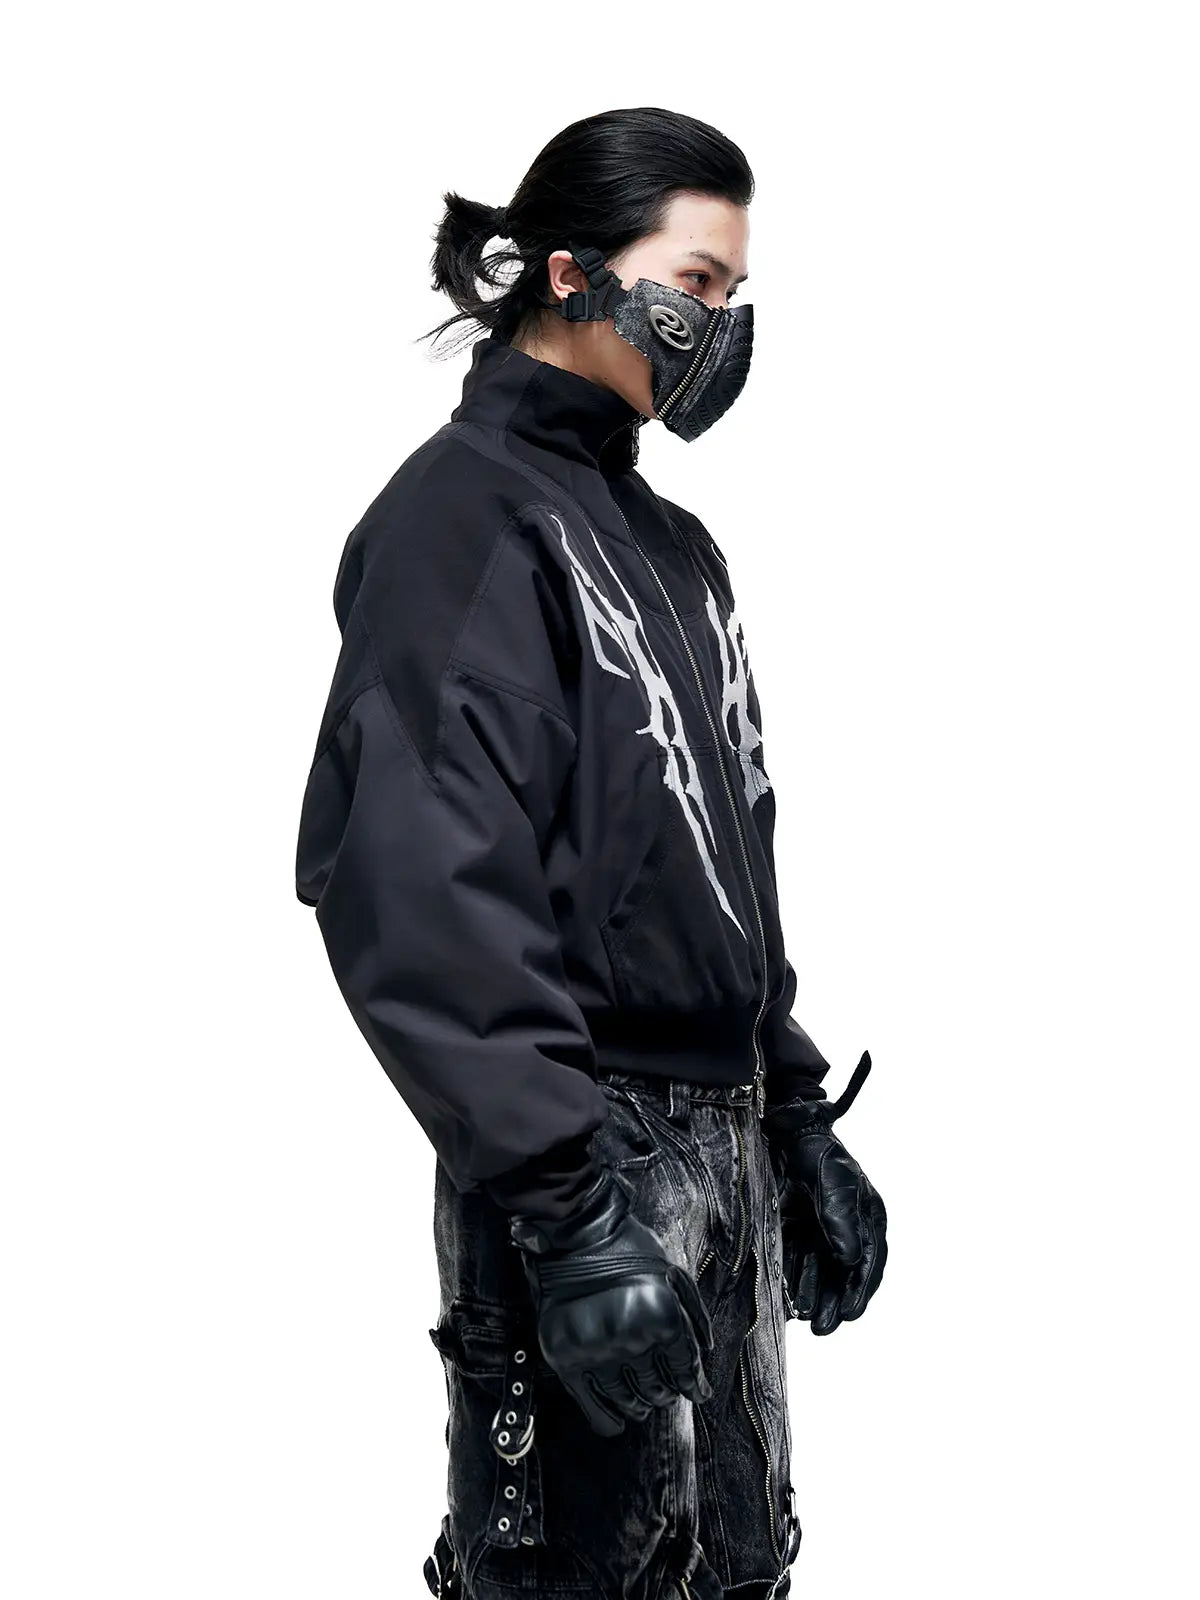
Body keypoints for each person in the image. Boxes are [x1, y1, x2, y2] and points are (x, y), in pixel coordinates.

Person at [294, 106, 888, 1600]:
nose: (720, 328)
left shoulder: (674, 551)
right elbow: (419, 889)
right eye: (695, 284)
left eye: (735, 293)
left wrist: (794, 1111)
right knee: (579, 1577)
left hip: (722, 1149)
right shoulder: (461, 525)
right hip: (582, 1163)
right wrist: (565, 1213)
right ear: (571, 275)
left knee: (734, 1570)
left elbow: (718, 859)